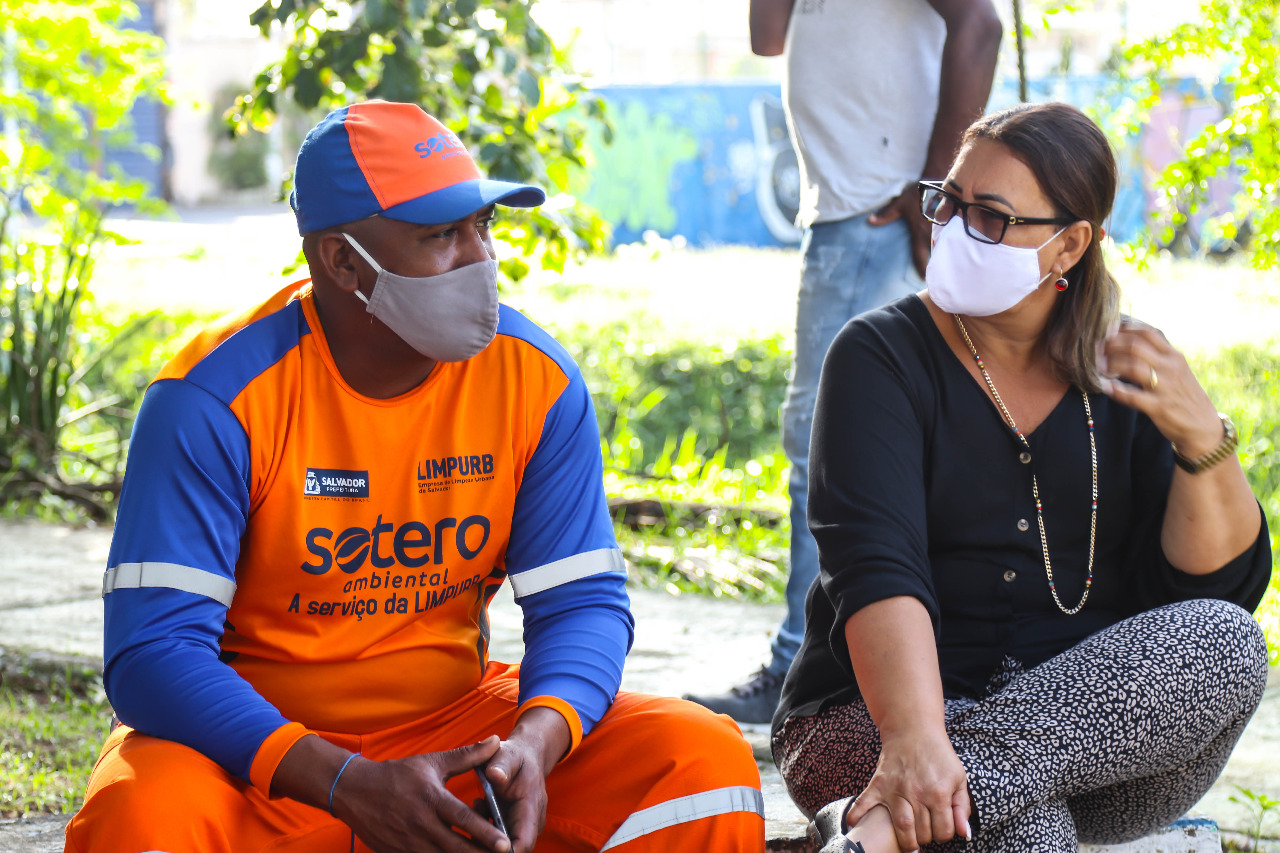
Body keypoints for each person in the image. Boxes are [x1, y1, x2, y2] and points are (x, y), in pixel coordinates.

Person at [65, 100, 766, 853]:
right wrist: (339, 779)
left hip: (461, 743)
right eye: (441, 235)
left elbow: (582, 600)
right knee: (137, 823)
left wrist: (537, 740)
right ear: (341, 261)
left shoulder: (536, 380)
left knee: (702, 761)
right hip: (257, 758)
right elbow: (152, 653)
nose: (479, 260)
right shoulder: (214, 398)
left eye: (483, 227)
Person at [771, 101, 1273, 853]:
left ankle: (866, 835)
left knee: (1228, 640)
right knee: (1028, 831)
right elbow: (873, 568)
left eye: (992, 217)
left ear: (1069, 245)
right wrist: (917, 741)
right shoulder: (878, 356)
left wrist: (1202, 437)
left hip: (1081, 747)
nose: (952, 228)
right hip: (869, 724)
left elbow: (1208, 593)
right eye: (948, 202)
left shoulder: (1124, 373)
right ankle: (898, 809)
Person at [685, 0, 1003, 724]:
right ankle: (869, 672)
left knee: (829, 451)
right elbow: (768, 38)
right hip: (846, 213)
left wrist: (934, 189)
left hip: (876, 213)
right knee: (865, 450)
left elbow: (979, 24)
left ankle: (808, 670)